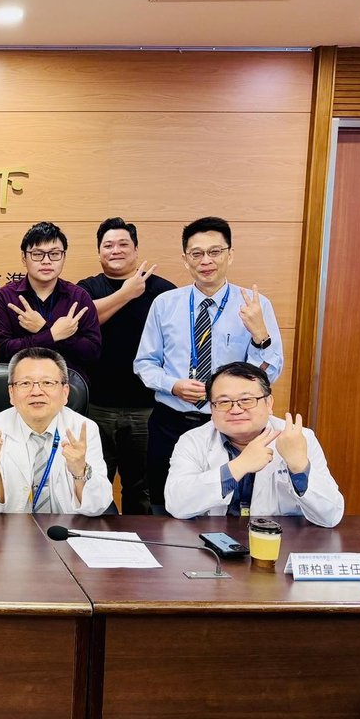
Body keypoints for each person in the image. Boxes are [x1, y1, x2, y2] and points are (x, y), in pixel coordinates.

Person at [135, 216, 284, 513]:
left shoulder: (255, 305)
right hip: (170, 421)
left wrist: (260, 336)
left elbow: (269, 374)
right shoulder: (165, 303)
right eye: (197, 253)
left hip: (232, 422)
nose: (206, 261)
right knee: (166, 504)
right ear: (185, 259)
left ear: (230, 254)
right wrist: (173, 386)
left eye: (215, 252)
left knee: (229, 503)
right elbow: (145, 363)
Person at [165, 362, 343, 527]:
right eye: (224, 402)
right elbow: (176, 505)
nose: (236, 410)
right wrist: (239, 466)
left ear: (269, 403)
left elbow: (330, 516)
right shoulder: (193, 441)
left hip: (281, 543)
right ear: (212, 409)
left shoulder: (300, 438)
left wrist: (298, 466)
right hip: (213, 542)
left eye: (247, 400)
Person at [77, 218, 175, 515]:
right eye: (108, 245)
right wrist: (127, 292)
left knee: (141, 486)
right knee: (95, 482)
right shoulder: (86, 288)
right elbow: (83, 320)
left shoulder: (162, 291)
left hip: (147, 407)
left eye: (123, 244)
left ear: (136, 250)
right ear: (99, 252)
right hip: (97, 406)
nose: (116, 250)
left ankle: (140, 541)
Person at [0, 347, 110, 515]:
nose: (36, 392)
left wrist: (80, 470)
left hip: (65, 528)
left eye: (47, 383)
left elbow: (97, 506)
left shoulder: (83, 429)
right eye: (25, 383)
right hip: (12, 528)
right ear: (11, 393)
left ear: (65, 392)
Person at [0, 221, 101, 381]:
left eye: (54, 254)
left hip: (68, 387)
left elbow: (93, 353)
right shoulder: (5, 297)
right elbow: (2, 352)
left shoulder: (79, 297)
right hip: (22, 386)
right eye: (37, 254)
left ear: (64, 257)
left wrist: (42, 328)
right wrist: (52, 334)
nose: (46, 261)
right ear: (24, 258)